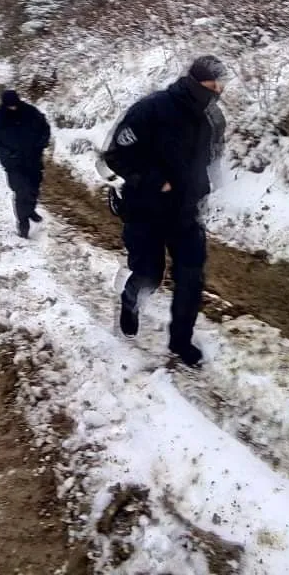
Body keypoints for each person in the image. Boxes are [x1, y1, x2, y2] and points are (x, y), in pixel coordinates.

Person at [101, 55, 227, 366]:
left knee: (191, 279)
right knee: (149, 274)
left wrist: (207, 190)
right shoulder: (151, 109)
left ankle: (181, 342)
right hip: (145, 209)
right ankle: (130, 301)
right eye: (215, 84)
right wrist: (155, 181)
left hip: (186, 212)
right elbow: (116, 156)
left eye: (222, 84)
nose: (220, 90)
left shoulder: (213, 118)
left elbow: (212, 160)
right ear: (197, 82)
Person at [0, 90, 51, 238]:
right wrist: (7, 153)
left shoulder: (31, 112)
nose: (13, 108)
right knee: (21, 193)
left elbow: (45, 127)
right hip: (14, 165)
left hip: (33, 160)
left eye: (15, 105)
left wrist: (42, 142)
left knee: (34, 189)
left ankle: (30, 210)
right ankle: (23, 224)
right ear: (5, 105)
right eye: (10, 106)